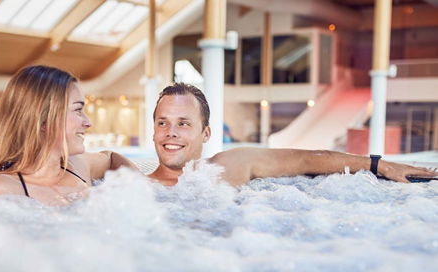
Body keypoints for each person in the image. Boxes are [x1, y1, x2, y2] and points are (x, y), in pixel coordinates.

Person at [148, 83, 437, 186]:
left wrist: (378, 165)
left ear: (206, 132)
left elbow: (306, 160)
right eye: (163, 123)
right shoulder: (127, 181)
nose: (170, 133)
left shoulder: (230, 166)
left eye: (183, 123)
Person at [0, 65, 136, 205]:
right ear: (43, 120)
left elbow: (110, 157)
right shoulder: (2, 190)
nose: (88, 123)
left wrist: (146, 187)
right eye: (78, 110)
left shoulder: (77, 166)